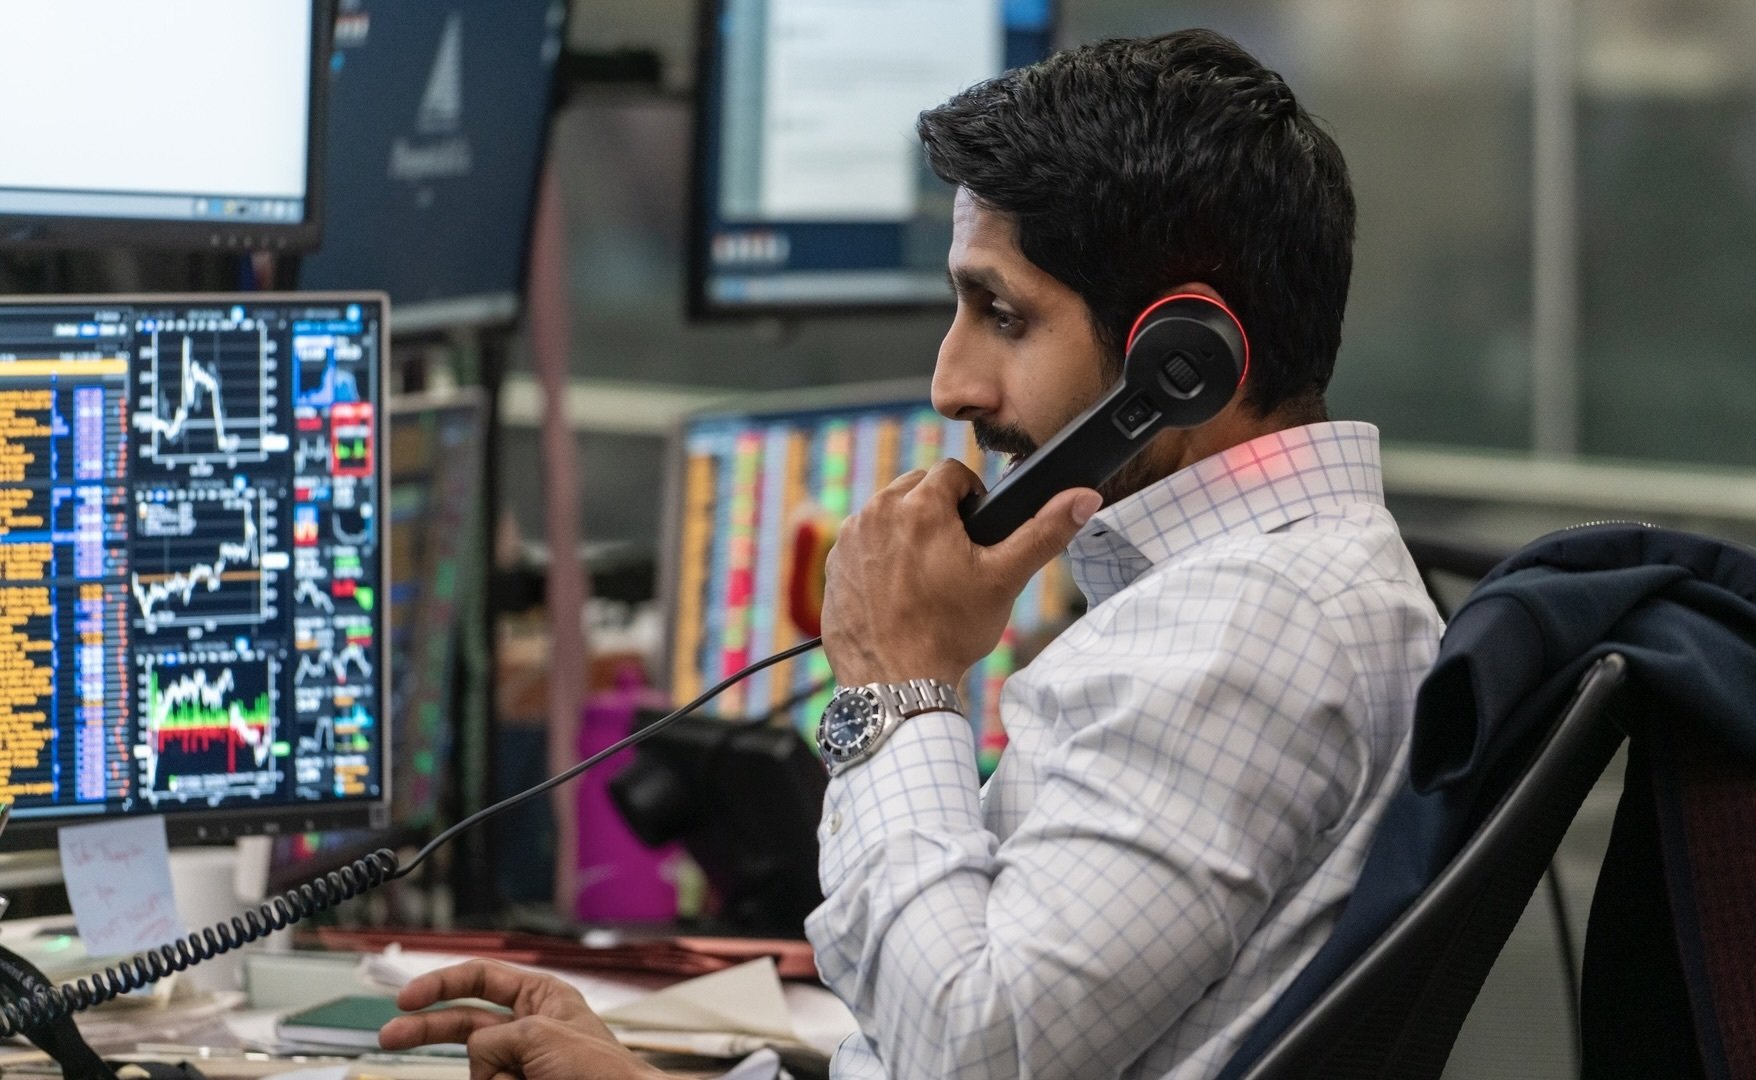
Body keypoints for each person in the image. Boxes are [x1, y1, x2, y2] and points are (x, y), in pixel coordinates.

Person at [380, 28, 1443, 1080]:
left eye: (1002, 314)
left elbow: (966, 1054)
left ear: (1186, 363)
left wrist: (899, 680)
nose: (952, 385)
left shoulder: (1241, 631)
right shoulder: (1279, 589)